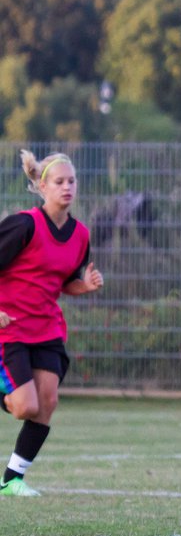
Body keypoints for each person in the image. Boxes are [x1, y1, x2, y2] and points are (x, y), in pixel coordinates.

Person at [0, 151, 103, 496]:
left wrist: (84, 286)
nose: (67, 187)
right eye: (59, 182)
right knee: (24, 406)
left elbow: (64, 283)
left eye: (72, 181)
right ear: (42, 186)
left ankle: (12, 480)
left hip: (47, 329)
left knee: (47, 401)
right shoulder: (24, 225)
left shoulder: (81, 235)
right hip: (10, 327)